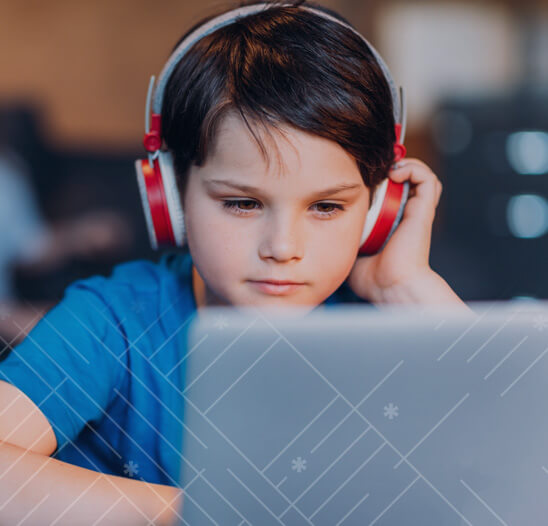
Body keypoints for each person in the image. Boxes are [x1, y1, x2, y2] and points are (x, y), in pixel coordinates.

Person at [0, 1, 469, 523]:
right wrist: (208, 513)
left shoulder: (390, 326)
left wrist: (409, 289)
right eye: (243, 203)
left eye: (326, 207)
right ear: (170, 200)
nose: (283, 247)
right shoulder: (113, 319)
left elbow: (516, 465)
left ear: (377, 212)